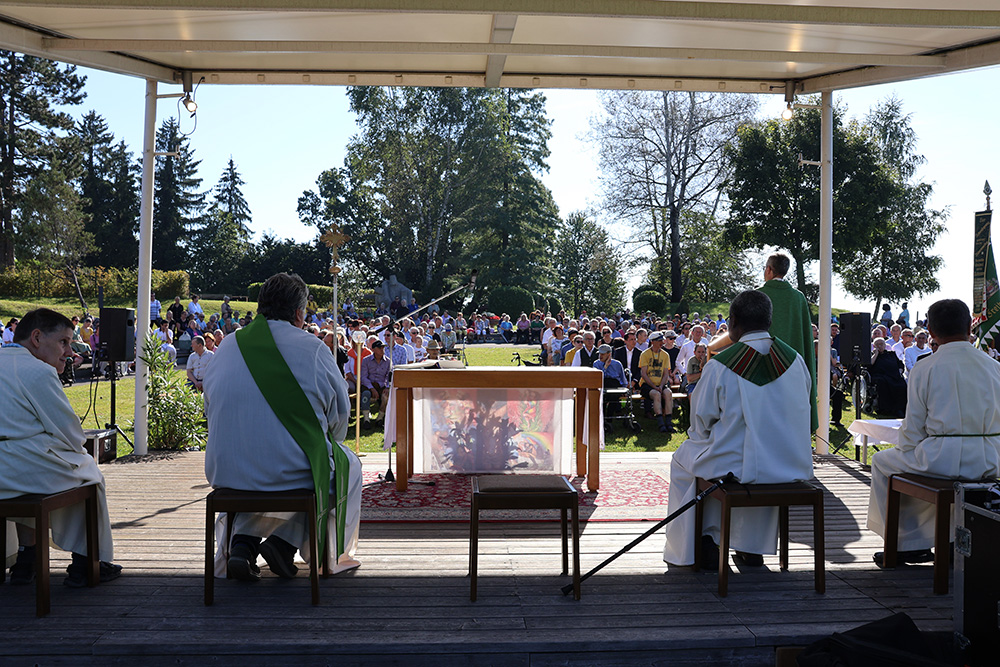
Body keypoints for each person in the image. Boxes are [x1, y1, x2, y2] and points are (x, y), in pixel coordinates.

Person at [204, 272, 361, 582]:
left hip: (227, 469)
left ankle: (243, 546)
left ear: (261, 306)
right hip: (287, 472)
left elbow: (210, 407)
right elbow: (339, 419)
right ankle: (283, 543)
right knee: (341, 466)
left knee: (265, 461)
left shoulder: (228, 346)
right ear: (300, 313)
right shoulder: (314, 349)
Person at [663, 290, 813, 570]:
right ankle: (750, 546)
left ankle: (699, 545)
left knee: (686, 460)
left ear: (732, 322)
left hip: (737, 465)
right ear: (769, 321)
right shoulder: (795, 361)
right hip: (789, 463)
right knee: (758, 455)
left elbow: (700, 423)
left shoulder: (721, 365)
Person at [867, 299, 1000, 566]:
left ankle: (905, 544)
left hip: (941, 458)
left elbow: (913, 429)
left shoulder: (926, 367)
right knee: (931, 472)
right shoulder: (994, 367)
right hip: (992, 459)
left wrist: (908, 447)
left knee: (884, 462)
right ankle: (952, 540)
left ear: (932, 331)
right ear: (969, 327)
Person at [0, 308, 122, 587]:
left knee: (35, 475)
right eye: (63, 342)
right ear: (36, 337)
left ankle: (26, 559)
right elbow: (71, 433)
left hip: (5, 472)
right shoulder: (37, 370)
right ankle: (87, 562)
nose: (69, 351)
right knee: (88, 472)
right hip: (23, 466)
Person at [757, 252, 818, 431]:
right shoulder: (798, 298)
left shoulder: (758, 295)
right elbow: (806, 337)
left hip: (763, 368)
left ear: (768, 270)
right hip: (794, 368)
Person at [638, 331, 675, 433]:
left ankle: (669, 422)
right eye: (659, 341)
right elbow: (644, 374)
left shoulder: (665, 355)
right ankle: (661, 424)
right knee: (656, 394)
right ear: (653, 342)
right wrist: (654, 386)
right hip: (647, 384)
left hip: (661, 383)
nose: (662, 343)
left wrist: (662, 385)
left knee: (668, 393)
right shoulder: (645, 354)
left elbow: (666, 373)